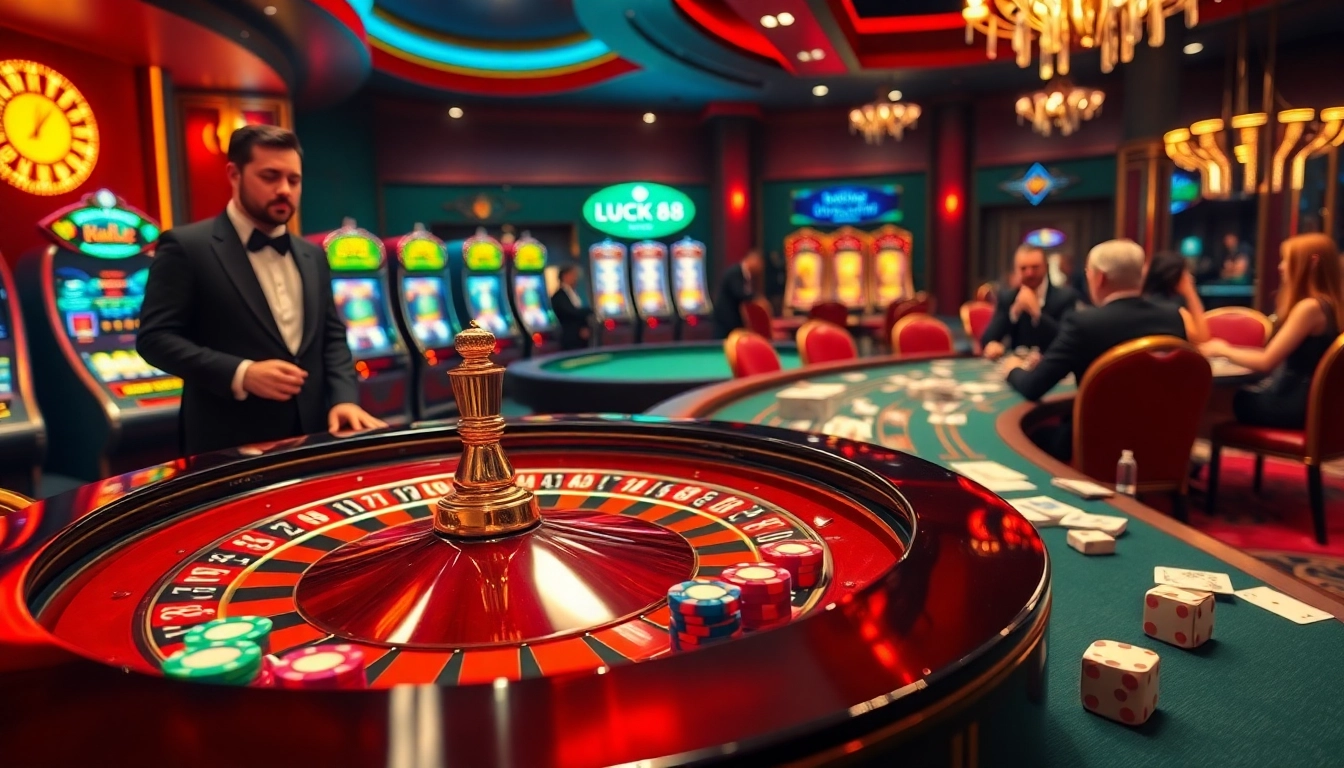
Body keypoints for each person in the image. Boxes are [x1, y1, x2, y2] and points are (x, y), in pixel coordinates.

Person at [137, 125, 385, 457]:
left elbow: (332, 336)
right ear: (234, 174)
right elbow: (155, 339)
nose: (284, 189)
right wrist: (242, 373)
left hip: (312, 435)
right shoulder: (186, 246)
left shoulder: (312, 254)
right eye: (270, 177)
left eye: (293, 180)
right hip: (227, 443)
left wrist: (343, 398)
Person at [1004, 239, 1187, 461]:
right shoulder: (1172, 316)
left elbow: (1033, 387)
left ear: (1099, 278)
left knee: (1029, 435)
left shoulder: (1084, 323)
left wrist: (1013, 369)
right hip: (1164, 446)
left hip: (1098, 449)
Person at [1200, 233, 1343, 429]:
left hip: (1292, 405)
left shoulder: (1310, 308)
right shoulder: (1332, 306)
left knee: (1206, 399)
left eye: (1286, 260)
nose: (1280, 267)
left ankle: (1178, 458)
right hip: (1313, 406)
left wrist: (1221, 349)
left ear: (1313, 262)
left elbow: (1267, 362)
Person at [980, 244, 1080, 360]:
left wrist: (1037, 313)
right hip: (1016, 367)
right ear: (1016, 270)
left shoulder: (1066, 297)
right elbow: (987, 340)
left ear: (1046, 267)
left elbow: (1066, 340)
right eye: (1023, 268)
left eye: (1035, 267)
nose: (1029, 273)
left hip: (1052, 365)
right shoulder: (1008, 297)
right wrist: (993, 345)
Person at [1142, 250, 1210, 343]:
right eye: (1187, 273)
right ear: (1177, 278)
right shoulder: (1177, 314)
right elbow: (1202, 339)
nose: (1191, 278)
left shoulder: (1140, 304)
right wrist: (1190, 292)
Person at [713, 250, 762, 339]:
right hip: (725, 315)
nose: (760, 267)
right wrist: (756, 298)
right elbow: (739, 292)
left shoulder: (744, 273)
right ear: (752, 260)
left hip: (733, 315)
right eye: (759, 263)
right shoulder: (735, 272)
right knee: (722, 341)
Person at [551, 264, 594, 351]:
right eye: (573, 275)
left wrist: (584, 326)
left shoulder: (573, 293)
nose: (576, 278)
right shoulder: (559, 296)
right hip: (570, 338)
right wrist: (590, 310)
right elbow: (570, 312)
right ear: (565, 276)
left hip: (580, 337)